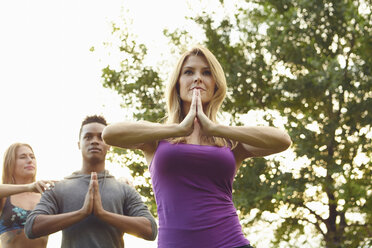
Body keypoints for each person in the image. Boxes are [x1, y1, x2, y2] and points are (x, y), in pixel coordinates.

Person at [102, 45, 292, 248]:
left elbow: (282, 140)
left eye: (207, 73)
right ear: (177, 84)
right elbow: (110, 134)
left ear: (216, 85)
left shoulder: (230, 142)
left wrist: (215, 129)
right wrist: (178, 129)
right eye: (189, 72)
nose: (198, 78)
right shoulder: (157, 138)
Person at [25, 115, 158, 248]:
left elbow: (151, 230)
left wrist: (103, 214)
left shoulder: (124, 188)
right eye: (88, 137)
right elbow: (31, 227)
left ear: (109, 145)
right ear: (79, 144)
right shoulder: (58, 187)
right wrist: (81, 213)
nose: (94, 141)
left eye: (101, 137)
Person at [0, 143, 54, 248]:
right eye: (22, 157)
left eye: (32, 157)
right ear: (10, 163)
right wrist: (28, 187)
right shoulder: (4, 197)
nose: (30, 160)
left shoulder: (46, 198)